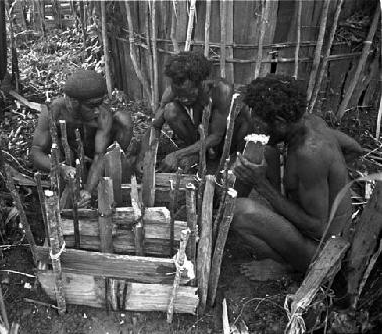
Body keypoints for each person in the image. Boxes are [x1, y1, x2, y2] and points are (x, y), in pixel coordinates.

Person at [231, 74, 362, 281]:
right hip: (318, 225)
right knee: (267, 152)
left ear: (281, 123)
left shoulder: (308, 154)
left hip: (324, 250)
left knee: (240, 211)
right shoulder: (311, 122)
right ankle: (280, 240)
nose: (257, 127)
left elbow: (318, 228)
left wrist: (261, 184)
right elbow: (354, 148)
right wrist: (333, 177)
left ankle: (288, 266)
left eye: (260, 122)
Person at [135, 51, 251, 174]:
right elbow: (155, 125)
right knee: (170, 111)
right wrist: (143, 156)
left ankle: (221, 158)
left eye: (189, 94)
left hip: (226, 139)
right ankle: (197, 153)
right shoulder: (172, 91)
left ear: (202, 83)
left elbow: (216, 137)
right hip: (201, 136)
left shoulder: (222, 91)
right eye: (179, 95)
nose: (184, 99)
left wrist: (177, 154)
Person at [31, 70, 133, 206]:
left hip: (93, 156)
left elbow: (99, 155)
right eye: (91, 106)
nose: (97, 110)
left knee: (124, 119)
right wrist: (60, 168)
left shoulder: (103, 114)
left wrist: (88, 191)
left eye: (100, 104)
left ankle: (113, 167)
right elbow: (35, 151)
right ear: (72, 102)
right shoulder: (53, 111)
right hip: (68, 160)